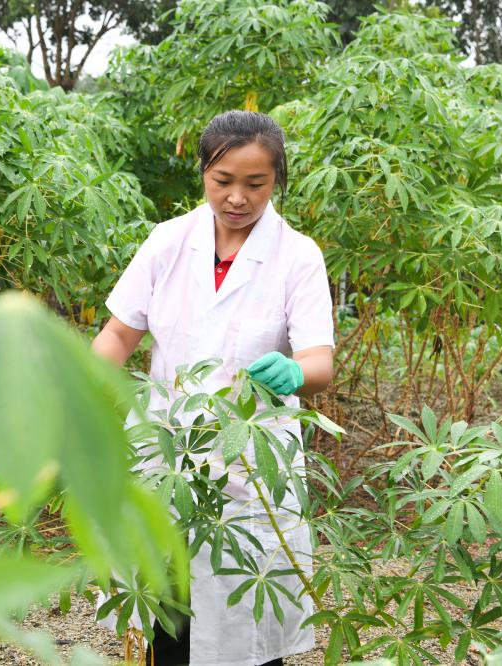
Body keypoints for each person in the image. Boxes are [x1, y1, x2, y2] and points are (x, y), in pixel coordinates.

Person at [91, 110, 335, 665]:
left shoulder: (298, 256)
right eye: (222, 181)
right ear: (202, 172)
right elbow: (119, 332)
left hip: (250, 462)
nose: (237, 198)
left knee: (246, 628)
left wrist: (296, 371)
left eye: (256, 183)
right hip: (165, 451)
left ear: (278, 180)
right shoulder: (167, 241)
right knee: (165, 613)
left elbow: (319, 357)